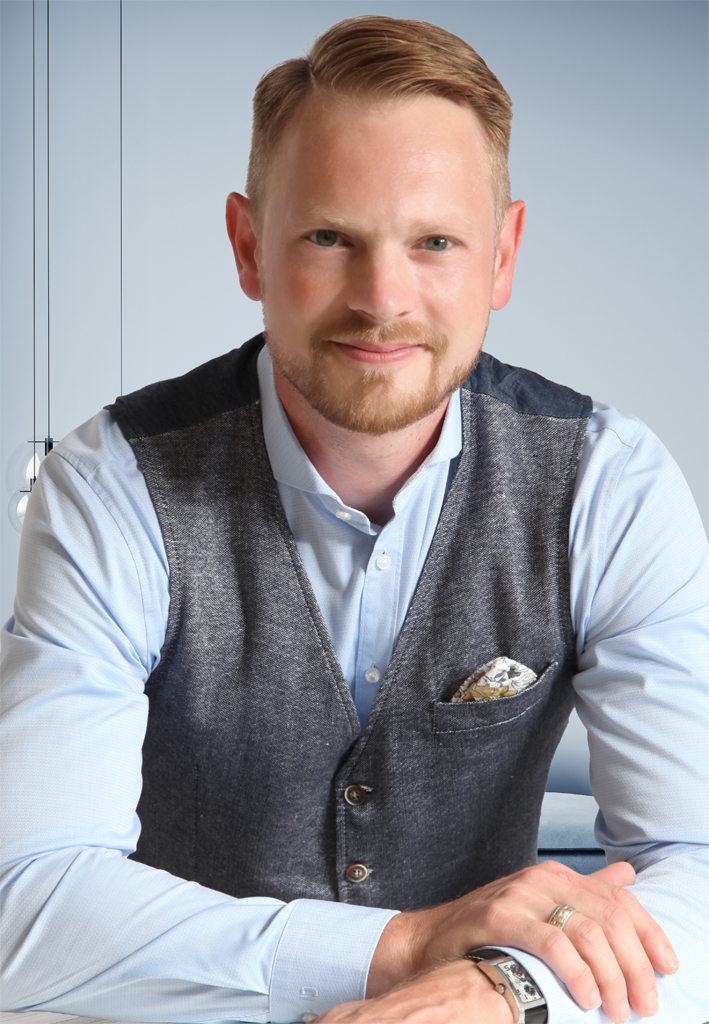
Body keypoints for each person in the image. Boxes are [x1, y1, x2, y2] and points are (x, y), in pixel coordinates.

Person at [1, 15, 708, 1024]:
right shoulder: (112, 483)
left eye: (434, 242)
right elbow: (25, 898)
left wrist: (508, 989)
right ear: (249, 246)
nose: (382, 299)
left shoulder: (609, 482)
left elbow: (695, 856)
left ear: (502, 255)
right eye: (330, 238)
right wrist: (402, 948)